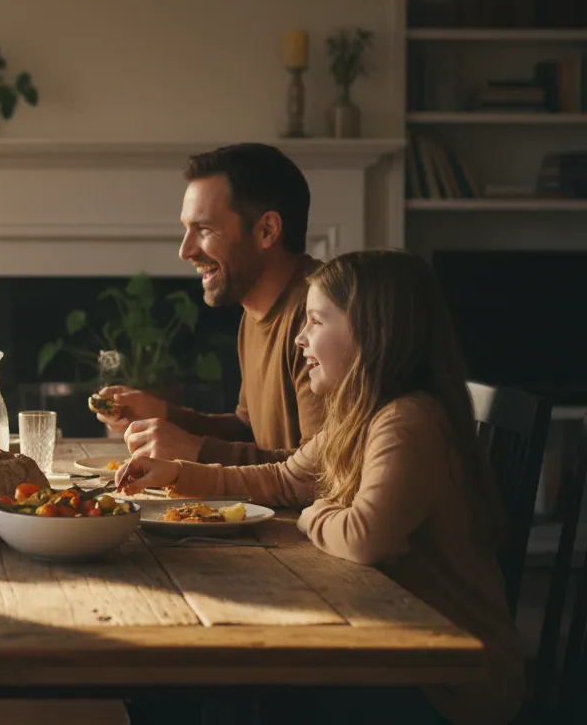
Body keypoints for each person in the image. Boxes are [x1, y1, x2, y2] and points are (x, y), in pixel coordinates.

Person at [118, 249, 522, 725]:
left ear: (372, 332)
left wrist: (315, 512)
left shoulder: (408, 418)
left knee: (229, 691)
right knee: (208, 690)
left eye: (315, 321)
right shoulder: (362, 412)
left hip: (446, 684)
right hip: (393, 646)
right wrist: (180, 474)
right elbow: (285, 478)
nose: (299, 337)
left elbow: (364, 537)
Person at [97, 143, 325, 465]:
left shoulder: (322, 316)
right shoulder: (256, 310)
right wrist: (163, 414)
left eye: (204, 229)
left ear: (267, 230)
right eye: (186, 229)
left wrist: (196, 452)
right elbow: (249, 432)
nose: (185, 251)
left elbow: (320, 471)